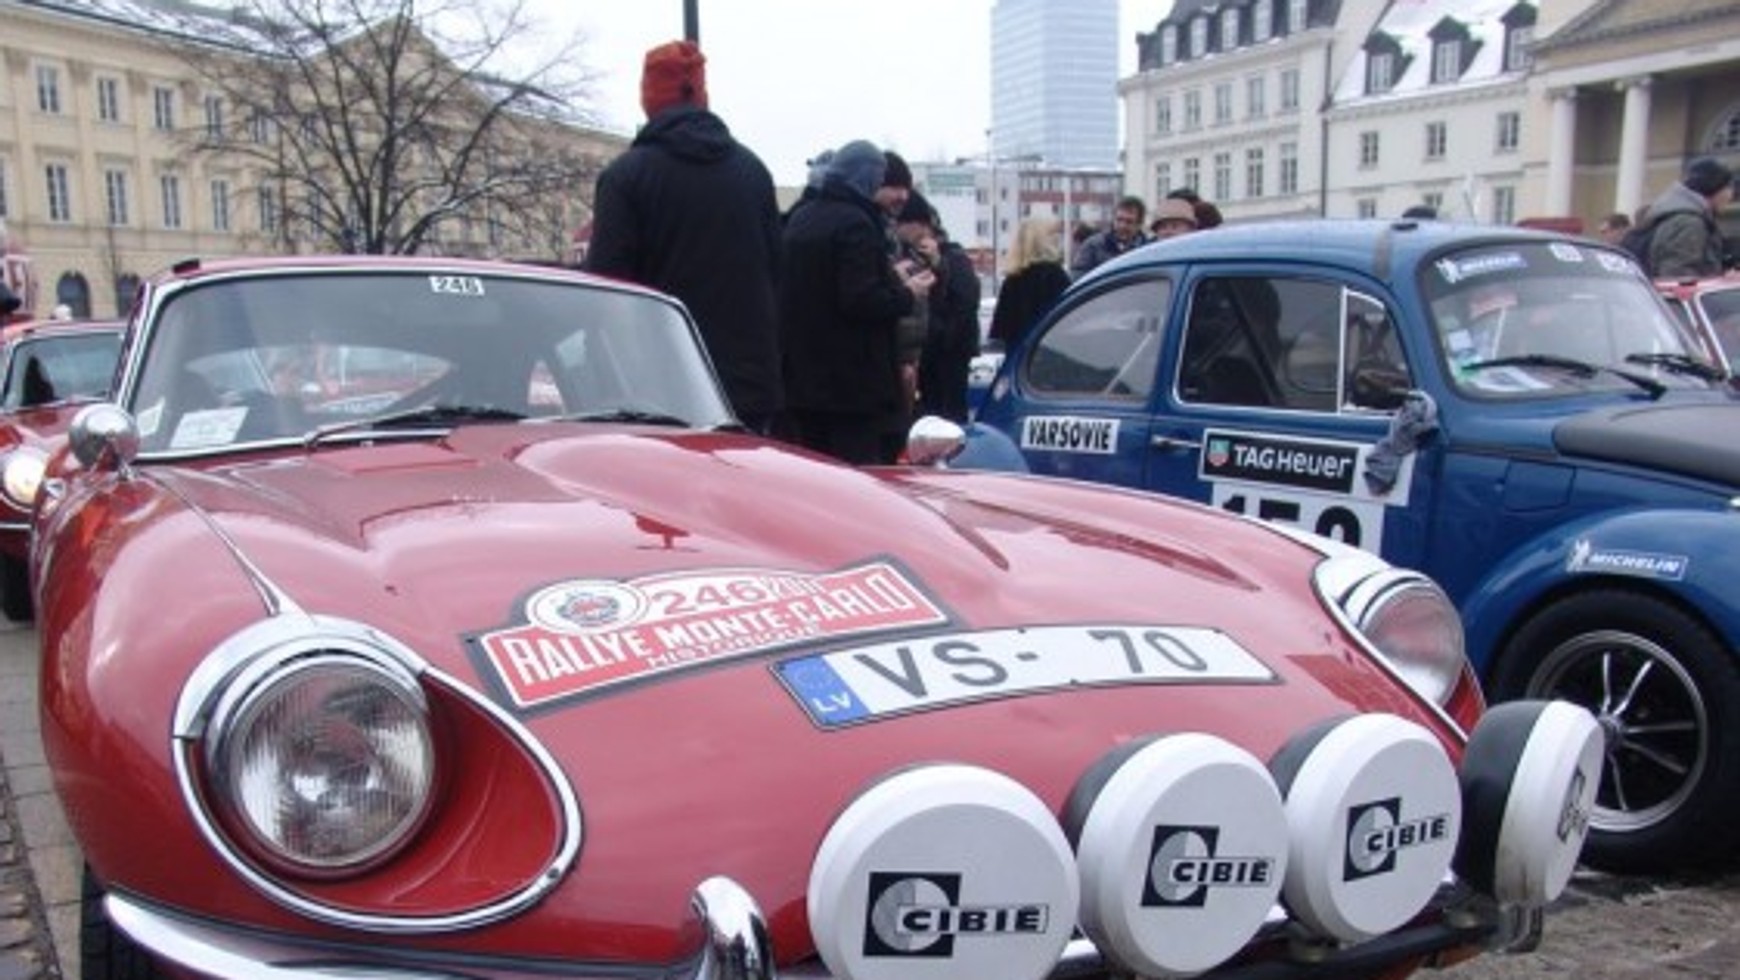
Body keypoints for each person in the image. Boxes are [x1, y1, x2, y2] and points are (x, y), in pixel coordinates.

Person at [583, 40, 785, 435]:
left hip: (657, 387)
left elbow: (605, 290)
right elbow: (776, 275)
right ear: (702, 95)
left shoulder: (627, 177)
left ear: (649, 98)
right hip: (747, 385)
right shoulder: (753, 172)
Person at [780, 140, 933, 465]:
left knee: (813, 470)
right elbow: (860, 299)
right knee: (857, 474)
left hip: (802, 382)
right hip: (852, 386)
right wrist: (907, 293)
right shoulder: (857, 224)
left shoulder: (800, 218)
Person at [896, 192, 981, 424]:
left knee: (946, 418)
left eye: (902, 224)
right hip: (921, 356)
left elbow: (964, 304)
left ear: (921, 226)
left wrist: (938, 267)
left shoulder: (953, 258)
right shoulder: (903, 258)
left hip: (946, 359)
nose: (897, 229)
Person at [1642, 156, 1735, 279]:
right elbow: (1678, 276)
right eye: (1728, 188)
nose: (1730, 195)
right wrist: (1721, 281)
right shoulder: (1689, 223)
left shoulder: (1674, 213)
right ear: (1714, 187)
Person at [990, 216, 1071, 352]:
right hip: (1051, 350)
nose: (1058, 238)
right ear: (1043, 240)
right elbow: (1069, 316)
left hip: (1020, 355)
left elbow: (1001, 329)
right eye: (1053, 234)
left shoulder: (1012, 279)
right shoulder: (1054, 275)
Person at [1071, 195, 1150, 278]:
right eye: (1119, 220)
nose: (1122, 226)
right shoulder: (1094, 246)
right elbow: (1078, 277)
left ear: (1139, 224)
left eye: (1129, 222)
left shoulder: (1146, 250)